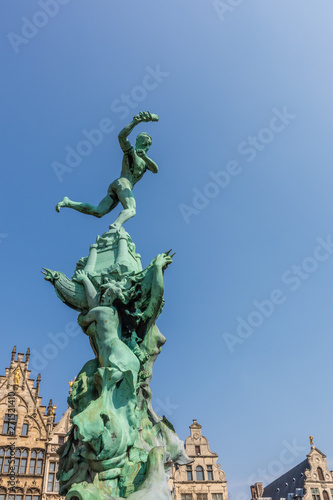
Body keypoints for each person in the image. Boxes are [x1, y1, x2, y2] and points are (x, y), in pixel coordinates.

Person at [56, 111, 159, 230]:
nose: (146, 142)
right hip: (123, 183)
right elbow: (121, 137)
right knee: (131, 209)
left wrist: (145, 157)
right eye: (144, 139)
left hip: (118, 186)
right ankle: (116, 225)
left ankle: (68, 202)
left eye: (147, 141)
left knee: (98, 211)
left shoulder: (145, 160)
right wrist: (135, 122)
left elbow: (155, 169)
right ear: (138, 141)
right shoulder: (132, 152)